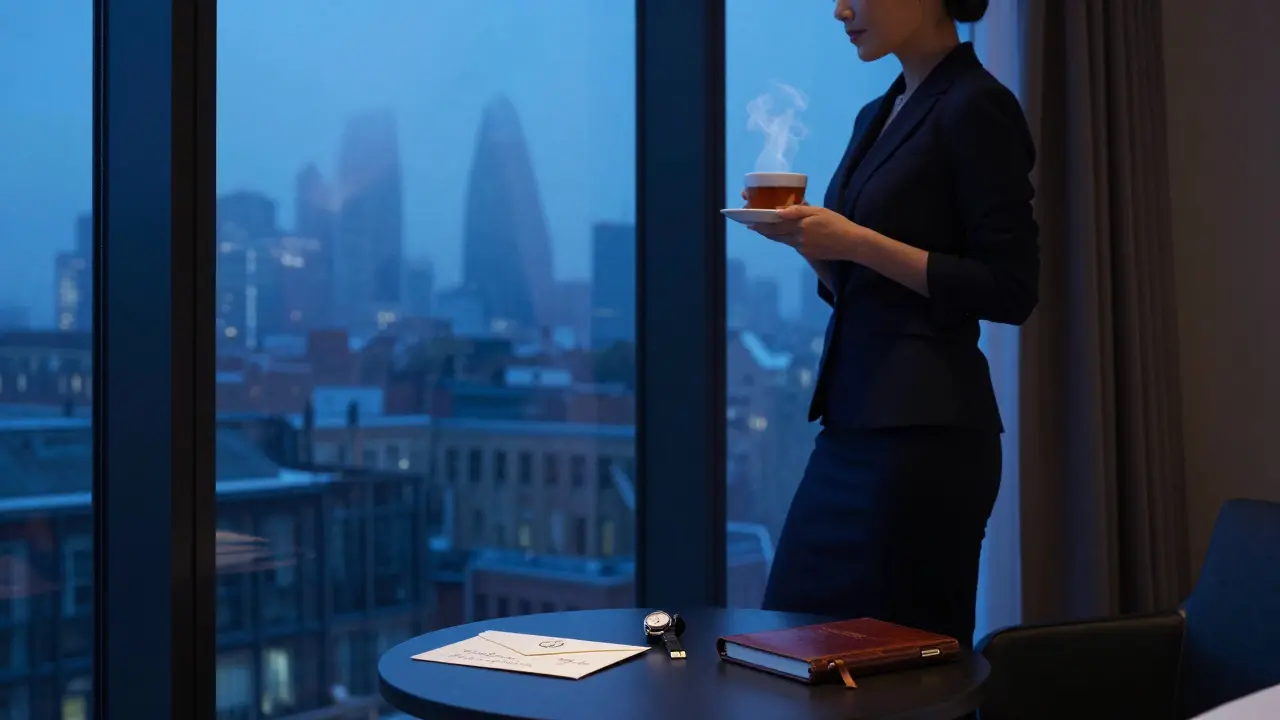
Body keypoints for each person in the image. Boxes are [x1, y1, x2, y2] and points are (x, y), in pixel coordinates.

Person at [748, 0, 1038, 647]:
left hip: (927, 440)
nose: (841, 9)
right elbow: (863, 292)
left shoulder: (976, 105)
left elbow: (1012, 289)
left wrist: (852, 241)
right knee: (793, 647)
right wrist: (807, 241)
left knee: (902, 676)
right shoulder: (875, 114)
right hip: (851, 429)